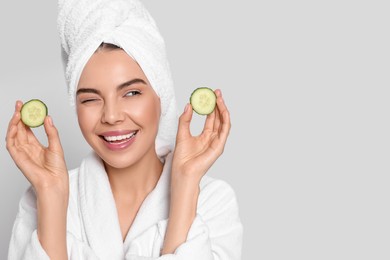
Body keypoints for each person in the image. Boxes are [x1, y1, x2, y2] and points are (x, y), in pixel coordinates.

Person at [6, 0, 243, 259]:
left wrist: (186, 184)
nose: (111, 116)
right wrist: (51, 194)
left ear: (161, 95)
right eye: (90, 99)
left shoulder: (212, 200)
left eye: (131, 93)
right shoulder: (40, 197)